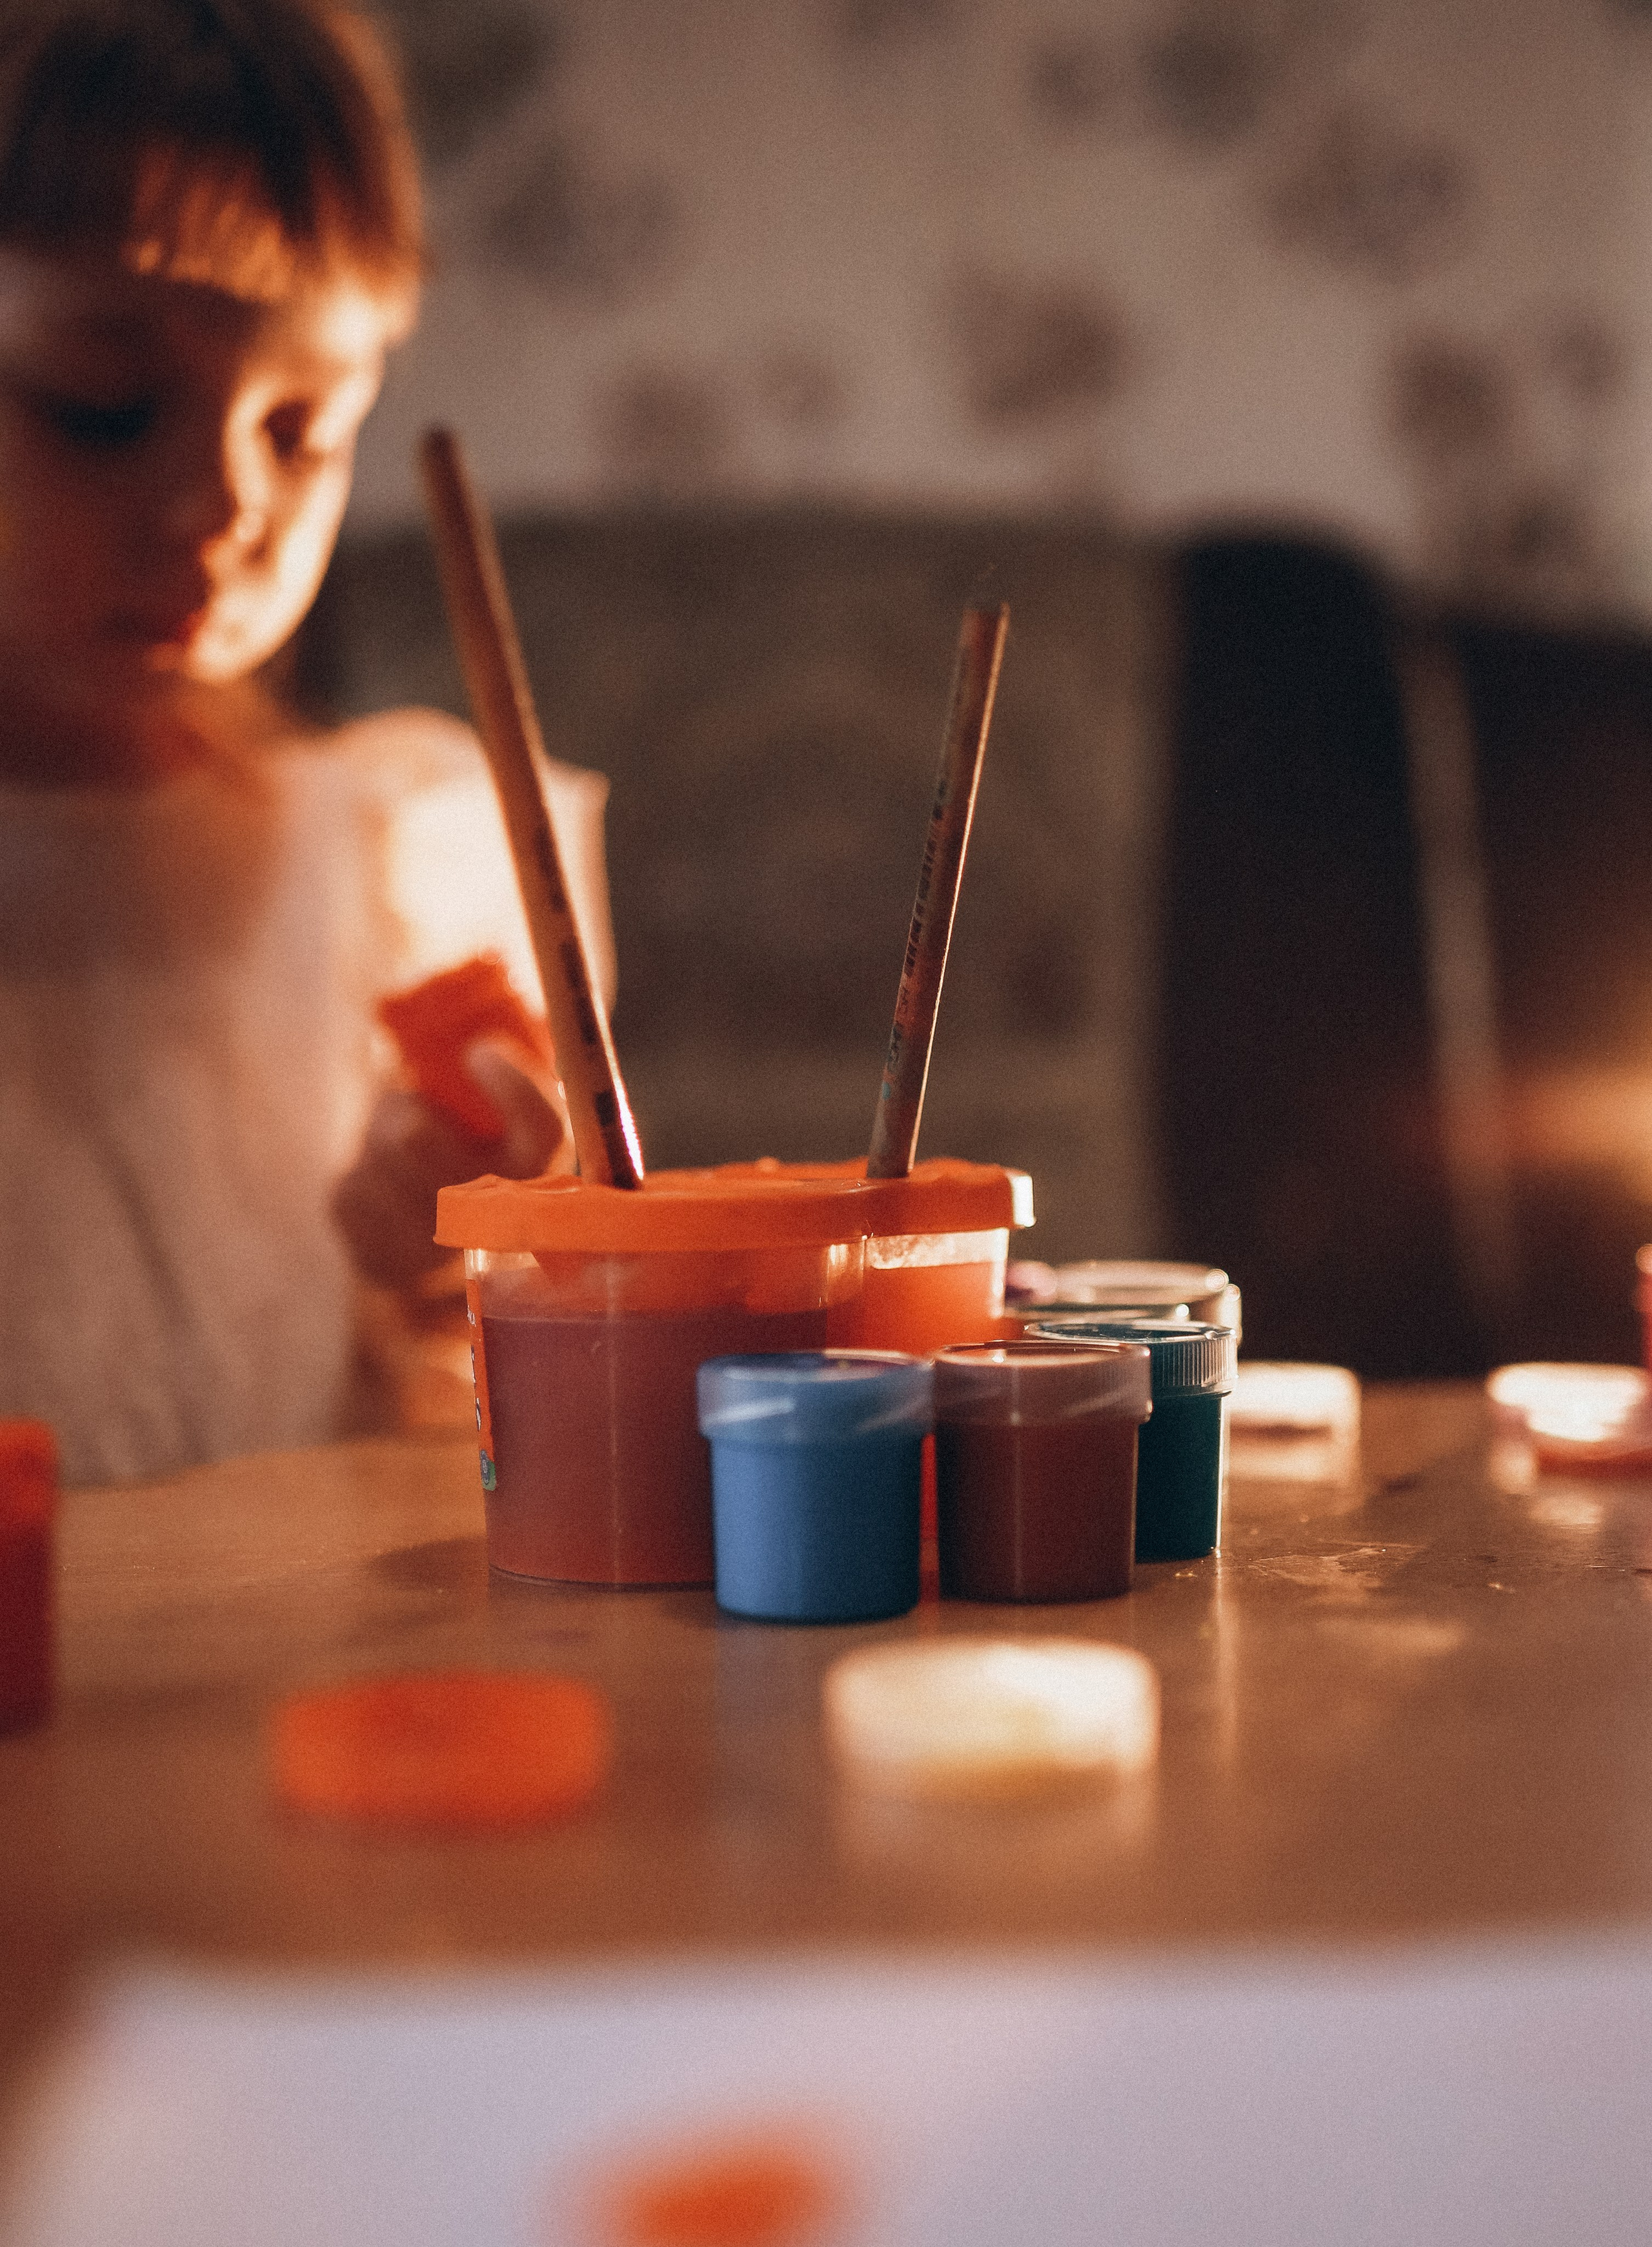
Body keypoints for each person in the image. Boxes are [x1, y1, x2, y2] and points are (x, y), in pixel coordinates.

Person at [0, 0, 615, 1484]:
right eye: (105, 409)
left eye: (303, 429)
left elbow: (500, 1427)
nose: (220, 509)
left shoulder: (402, 857)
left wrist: (471, 1250)